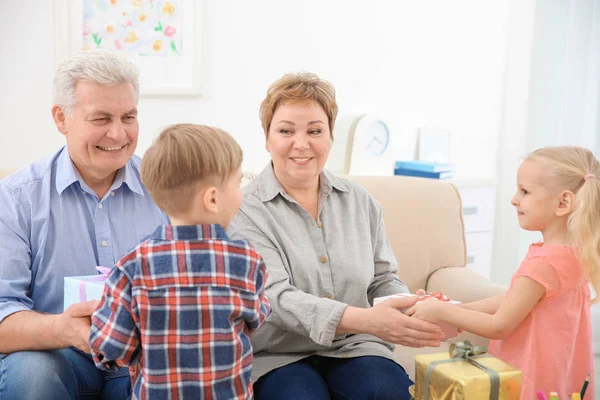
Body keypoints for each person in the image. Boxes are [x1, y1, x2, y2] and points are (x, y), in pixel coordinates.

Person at [227, 72, 445, 400]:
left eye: (315, 130)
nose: (301, 144)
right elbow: (274, 298)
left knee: (387, 392)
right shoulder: (244, 209)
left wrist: (404, 306)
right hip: (276, 356)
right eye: (286, 131)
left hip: (356, 345)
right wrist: (370, 320)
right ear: (267, 138)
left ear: (330, 136)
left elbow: (382, 278)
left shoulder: (360, 201)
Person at [0, 49, 169, 400]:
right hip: (56, 355)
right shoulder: (16, 198)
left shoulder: (167, 188)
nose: (118, 133)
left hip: (142, 358)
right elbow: (3, 315)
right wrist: (65, 329)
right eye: (101, 118)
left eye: (129, 116)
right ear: (62, 118)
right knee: (32, 373)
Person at [90, 124, 271, 400]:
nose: (241, 192)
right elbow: (256, 319)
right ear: (212, 198)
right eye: (237, 182)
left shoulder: (131, 268)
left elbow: (112, 348)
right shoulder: (247, 261)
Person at [408, 146, 598, 399]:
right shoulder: (577, 253)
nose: (514, 199)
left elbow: (499, 326)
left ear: (563, 202)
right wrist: (457, 308)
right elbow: (516, 301)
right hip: (559, 373)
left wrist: (441, 310)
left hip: (529, 374)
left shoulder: (543, 262)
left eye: (525, 191)